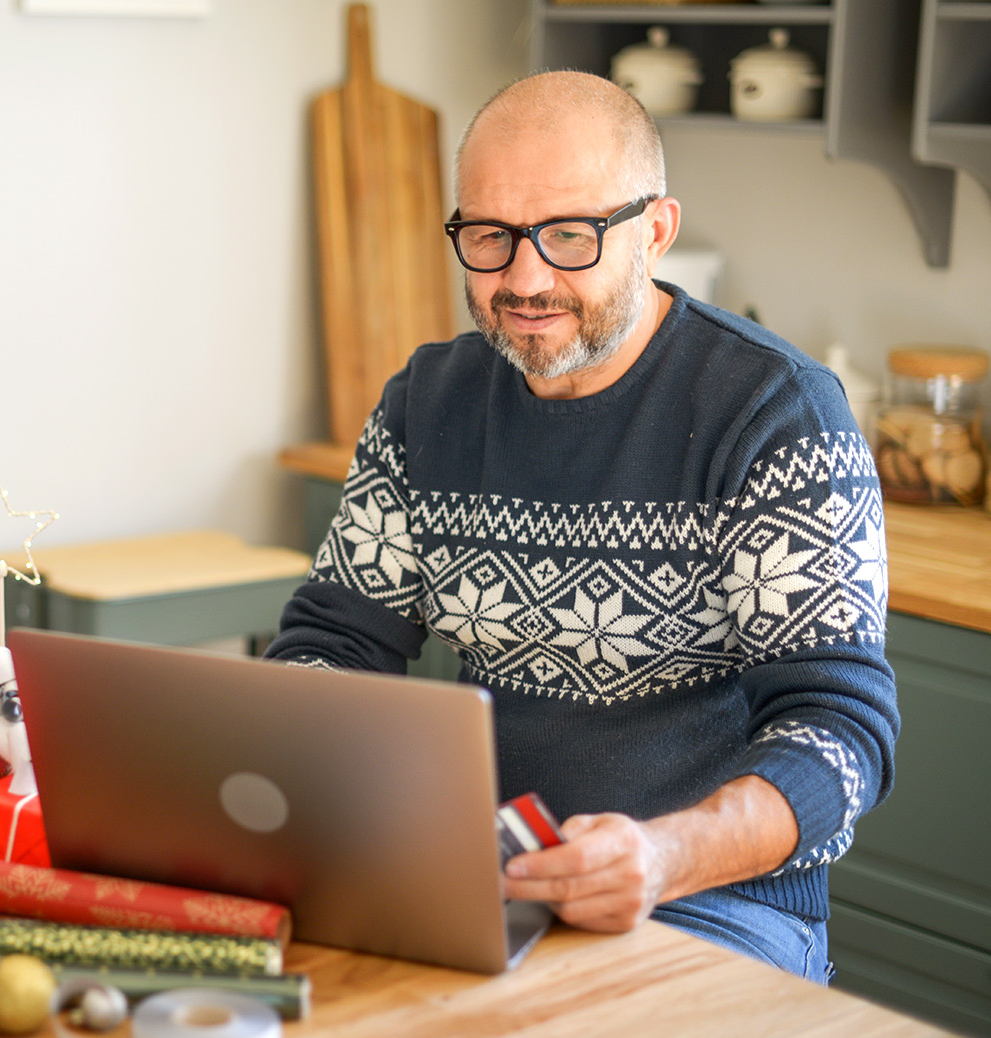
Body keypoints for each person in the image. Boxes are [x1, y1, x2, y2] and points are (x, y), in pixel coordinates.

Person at [265, 71, 898, 984]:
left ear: (656, 231)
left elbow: (842, 736)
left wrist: (665, 854)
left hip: (714, 905)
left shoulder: (776, 415)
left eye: (570, 234)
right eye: (488, 236)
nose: (524, 279)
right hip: (476, 879)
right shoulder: (427, 404)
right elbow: (333, 645)